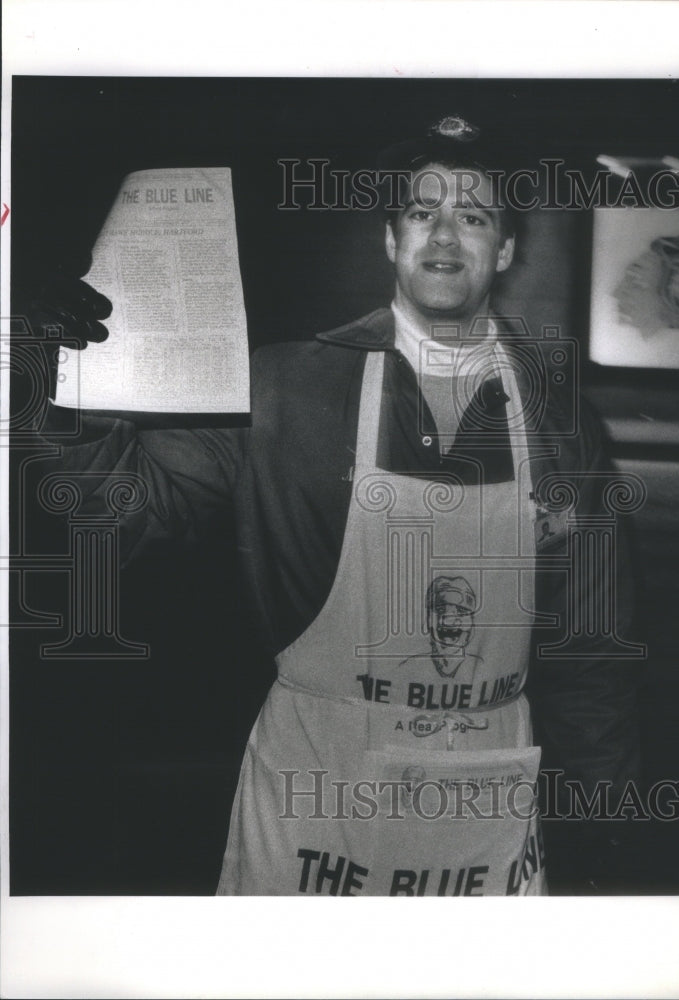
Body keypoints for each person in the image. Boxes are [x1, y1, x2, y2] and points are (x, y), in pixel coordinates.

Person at [34, 115, 642, 895]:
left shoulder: (559, 419)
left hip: (483, 793)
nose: (445, 237)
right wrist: (59, 387)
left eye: (474, 216)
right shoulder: (286, 384)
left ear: (507, 249)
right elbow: (124, 511)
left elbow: (592, 642)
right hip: (315, 786)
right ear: (390, 241)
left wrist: (604, 823)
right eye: (422, 214)